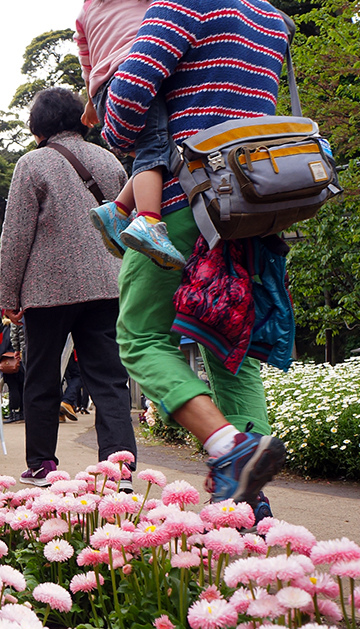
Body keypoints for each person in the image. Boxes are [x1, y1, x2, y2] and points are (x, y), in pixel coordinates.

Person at [102, 0, 290, 516]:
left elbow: (129, 99)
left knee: (139, 338)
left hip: (186, 200)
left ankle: (231, 447)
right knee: (230, 353)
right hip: (249, 209)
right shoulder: (271, 17)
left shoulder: (184, 3)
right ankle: (249, 508)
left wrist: (108, 117)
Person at [0, 87, 138, 488]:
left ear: (38, 125)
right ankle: (119, 470)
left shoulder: (32, 164)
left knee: (42, 376)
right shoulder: (109, 161)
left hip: (48, 290)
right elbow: (126, 223)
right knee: (109, 378)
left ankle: (42, 465)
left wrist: (9, 296)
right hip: (107, 285)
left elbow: (16, 236)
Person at [75, 0, 186, 270]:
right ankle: (148, 221)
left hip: (104, 90)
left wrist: (91, 100)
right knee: (153, 148)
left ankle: (119, 210)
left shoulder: (86, 10)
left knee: (155, 152)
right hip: (136, 72)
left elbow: (85, 59)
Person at [0, 318, 25, 424]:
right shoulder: (23, 324)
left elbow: (3, 345)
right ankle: (22, 412)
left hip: (10, 362)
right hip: (22, 360)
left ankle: (14, 412)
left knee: (13, 388)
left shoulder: (8, 328)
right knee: (22, 387)